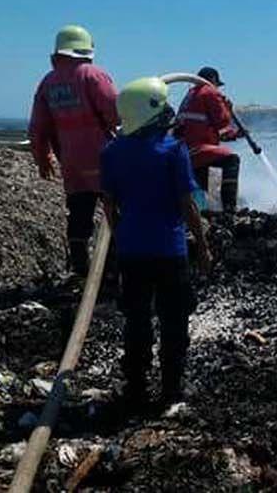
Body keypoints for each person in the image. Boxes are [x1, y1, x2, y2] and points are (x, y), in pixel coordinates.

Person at [101, 76, 212, 405]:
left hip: (132, 251)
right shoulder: (173, 150)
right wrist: (203, 246)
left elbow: (108, 203)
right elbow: (187, 203)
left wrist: (121, 238)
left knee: (136, 320)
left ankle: (136, 387)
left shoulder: (111, 152)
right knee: (174, 321)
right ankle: (171, 389)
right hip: (169, 251)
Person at [28, 24, 119, 276]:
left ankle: (81, 270)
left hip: (72, 162)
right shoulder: (93, 75)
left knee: (79, 216)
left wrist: (42, 157)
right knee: (117, 213)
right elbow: (116, 113)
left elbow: (37, 127)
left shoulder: (48, 82)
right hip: (104, 159)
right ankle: (115, 269)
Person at [175, 66, 241, 212]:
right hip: (198, 150)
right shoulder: (210, 92)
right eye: (217, 84)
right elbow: (222, 122)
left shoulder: (190, 95)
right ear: (212, 80)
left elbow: (218, 132)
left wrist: (234, 135)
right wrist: (227, 108)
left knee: (216, 172)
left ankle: (216, 212)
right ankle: (230, 209)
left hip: (186, 153)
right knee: (231, 159)